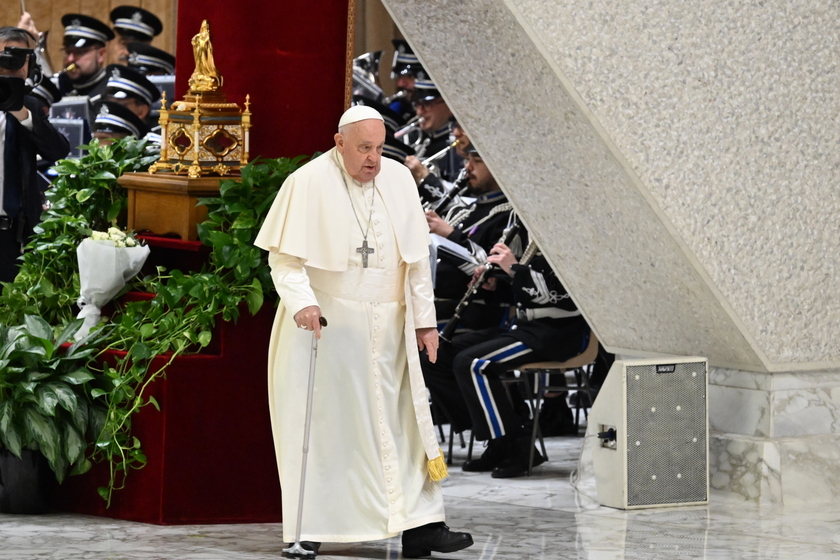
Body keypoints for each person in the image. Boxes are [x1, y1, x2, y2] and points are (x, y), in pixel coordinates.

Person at [254, 106, 473, 558]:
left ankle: (421, 526)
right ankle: (312, 526)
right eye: (364, 149)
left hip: (390, 325)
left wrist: (425, 321)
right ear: (339, 144)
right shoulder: (307, 182)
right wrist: (304, 303)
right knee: (330, 428)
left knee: (404, 425)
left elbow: (414, 264)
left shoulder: (398, 180)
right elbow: (285, 260)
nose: (373, 159)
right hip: (329, 324)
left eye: (378, 148)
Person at [0, 27, 70, 282]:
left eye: (19, 58)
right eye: (4, 57)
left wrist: (22, 114)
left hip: (12, 235)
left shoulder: (29, 105)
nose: (10, 65)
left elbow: (59, 150)